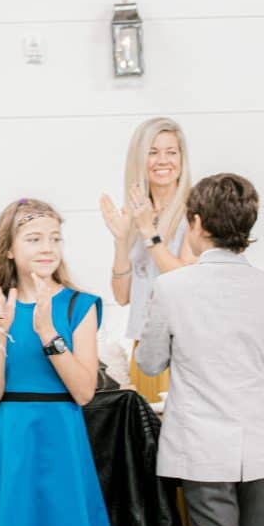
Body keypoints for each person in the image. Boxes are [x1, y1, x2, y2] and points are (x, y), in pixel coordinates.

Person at [137, 173, 264, 526]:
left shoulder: (173, 288)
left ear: (197, 223)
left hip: (201, 445)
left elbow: (149, 363)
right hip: (262, 444)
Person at [0, 198, 112, 526]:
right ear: (9, 249)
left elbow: (84, 392)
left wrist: (50, 336)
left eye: (54, 238)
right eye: (34, 239)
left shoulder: (78, 305)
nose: (47, 248)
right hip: (12, 441)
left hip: (62, 440)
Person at [99, 117, 196, 400]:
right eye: (153, 152)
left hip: (184, 345)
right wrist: (120, 239)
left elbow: (184, 281)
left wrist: (148, 231)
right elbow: (121, 295)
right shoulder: (137, 212)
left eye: (171, 152)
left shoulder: (194, 210)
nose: (162, 160)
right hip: (144, 345)